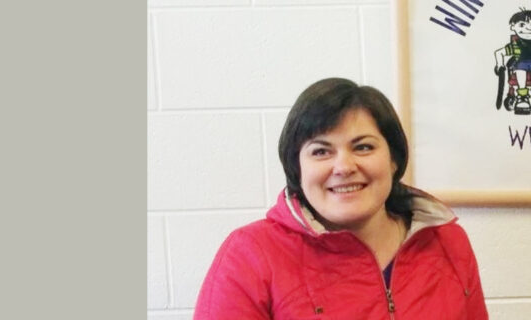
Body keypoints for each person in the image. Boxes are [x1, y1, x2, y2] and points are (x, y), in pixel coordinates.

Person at [193, 78, 488, 319]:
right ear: (297, 167)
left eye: (363, 147)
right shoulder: (249, 255)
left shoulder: (447, 241)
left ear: (394, 160)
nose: (344, 167)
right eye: (321, 151)